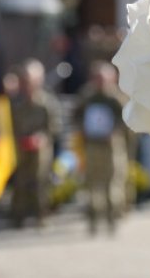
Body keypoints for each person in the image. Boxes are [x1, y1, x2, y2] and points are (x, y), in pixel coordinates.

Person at [74, 61, 128, 235]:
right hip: (92, 146)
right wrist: (82, 129)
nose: (100, 82)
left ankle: (113, 219)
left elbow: (126, 120)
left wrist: (115, 132)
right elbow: (76, 115)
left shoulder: (116, 98)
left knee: (113, 182)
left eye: (103, 79)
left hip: (111, 146)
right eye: (97, 78)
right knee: (92, 184)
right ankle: (94, 220)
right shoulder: (87, 96)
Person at [10, 59, 62, 228]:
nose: (27, 84)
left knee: (40, 181)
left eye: (30, 80)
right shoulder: (15, 103)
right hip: (20, 147)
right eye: (24, 80)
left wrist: (42, 138)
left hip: (41, 148)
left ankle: (41, 214)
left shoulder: (47, 102)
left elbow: (55, 127)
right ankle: (19, 216)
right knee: (20, 181)